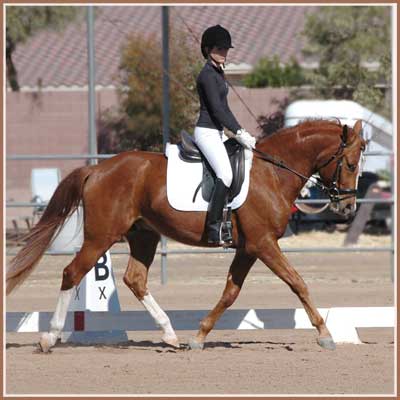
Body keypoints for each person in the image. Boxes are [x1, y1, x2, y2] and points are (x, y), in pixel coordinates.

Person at [194, 24, 256, 245]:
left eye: (226, 49)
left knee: (245, 160)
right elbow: (218, 111)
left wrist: (241, 132)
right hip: (207, 132)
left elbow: (225, 109)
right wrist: (237, 132)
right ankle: (213, 229)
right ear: (208, 49)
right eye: (219, 48)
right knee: (226, 175)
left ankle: (233, 220)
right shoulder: (207, 75)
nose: (224, 52)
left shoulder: (218, 73)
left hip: (217, 132)